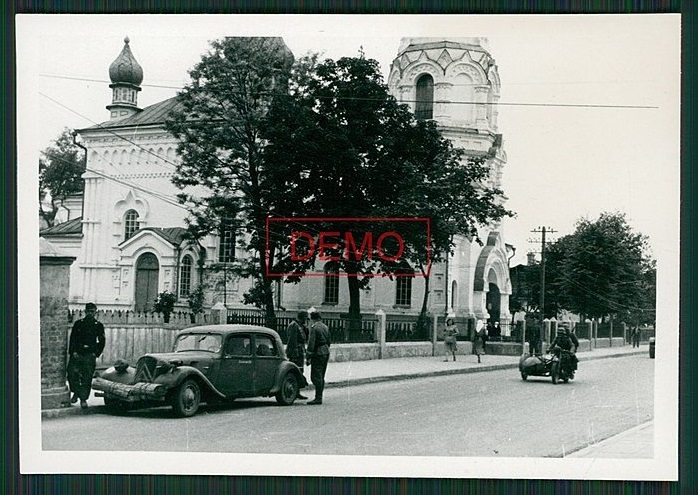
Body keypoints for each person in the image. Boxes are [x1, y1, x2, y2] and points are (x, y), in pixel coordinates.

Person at [67, 302, 106, 409]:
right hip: (77, 354)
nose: (90, 313)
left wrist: (96, 353)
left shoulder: (98, 326)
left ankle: (83, 399)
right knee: (71, 374)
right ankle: (76, 392)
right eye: (88, 311)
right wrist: (73, 351)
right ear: (85, 312)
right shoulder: (78, 324)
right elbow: (73, 338)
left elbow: (102, 341)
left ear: (95, 313)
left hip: (89, 355)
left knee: (87, 377)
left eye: (92, 312)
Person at [305, 310, 331, 405]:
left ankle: (318, 397)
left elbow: (311, 343)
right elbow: (329, 340)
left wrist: (308, 356)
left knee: (315, 376)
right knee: (321, 375)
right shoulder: (325, 327)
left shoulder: (314, 328)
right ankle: (319, 396)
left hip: (318, 353)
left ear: (312, 319)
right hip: (325, 351)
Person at [285, 310, 309, 400]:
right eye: (305, 318)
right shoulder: (294, 325)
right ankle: (295, 391)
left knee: (300, 371)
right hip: (295, 352)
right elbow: (292, 340)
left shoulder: (300, 326)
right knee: (296, 371)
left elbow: (306, 337)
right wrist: (294, 353)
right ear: (302, 317)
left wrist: (306, 327)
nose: (306, 320)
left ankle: (297, 391)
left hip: (300, 350)